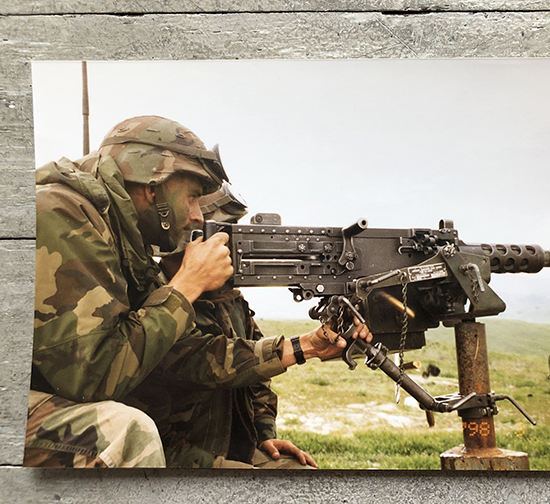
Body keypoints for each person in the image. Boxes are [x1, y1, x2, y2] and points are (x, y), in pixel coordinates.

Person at [26, 115, 370, 468]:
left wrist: (305, 346)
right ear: (152, 185)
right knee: (124, 433)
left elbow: (181, 352)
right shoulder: (60, 212)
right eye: (191, 198)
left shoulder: (125, 246)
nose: (194, 216)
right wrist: (187, 284)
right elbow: (91, 377)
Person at [124, 184, 317, 468]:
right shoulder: (153, 299)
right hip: (170, 453)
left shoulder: (230, 301)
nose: (233, 245)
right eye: (225, 234)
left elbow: (257, 380)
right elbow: (208, 359)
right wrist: (304, 347)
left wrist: (263, 435)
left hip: (232, 447)